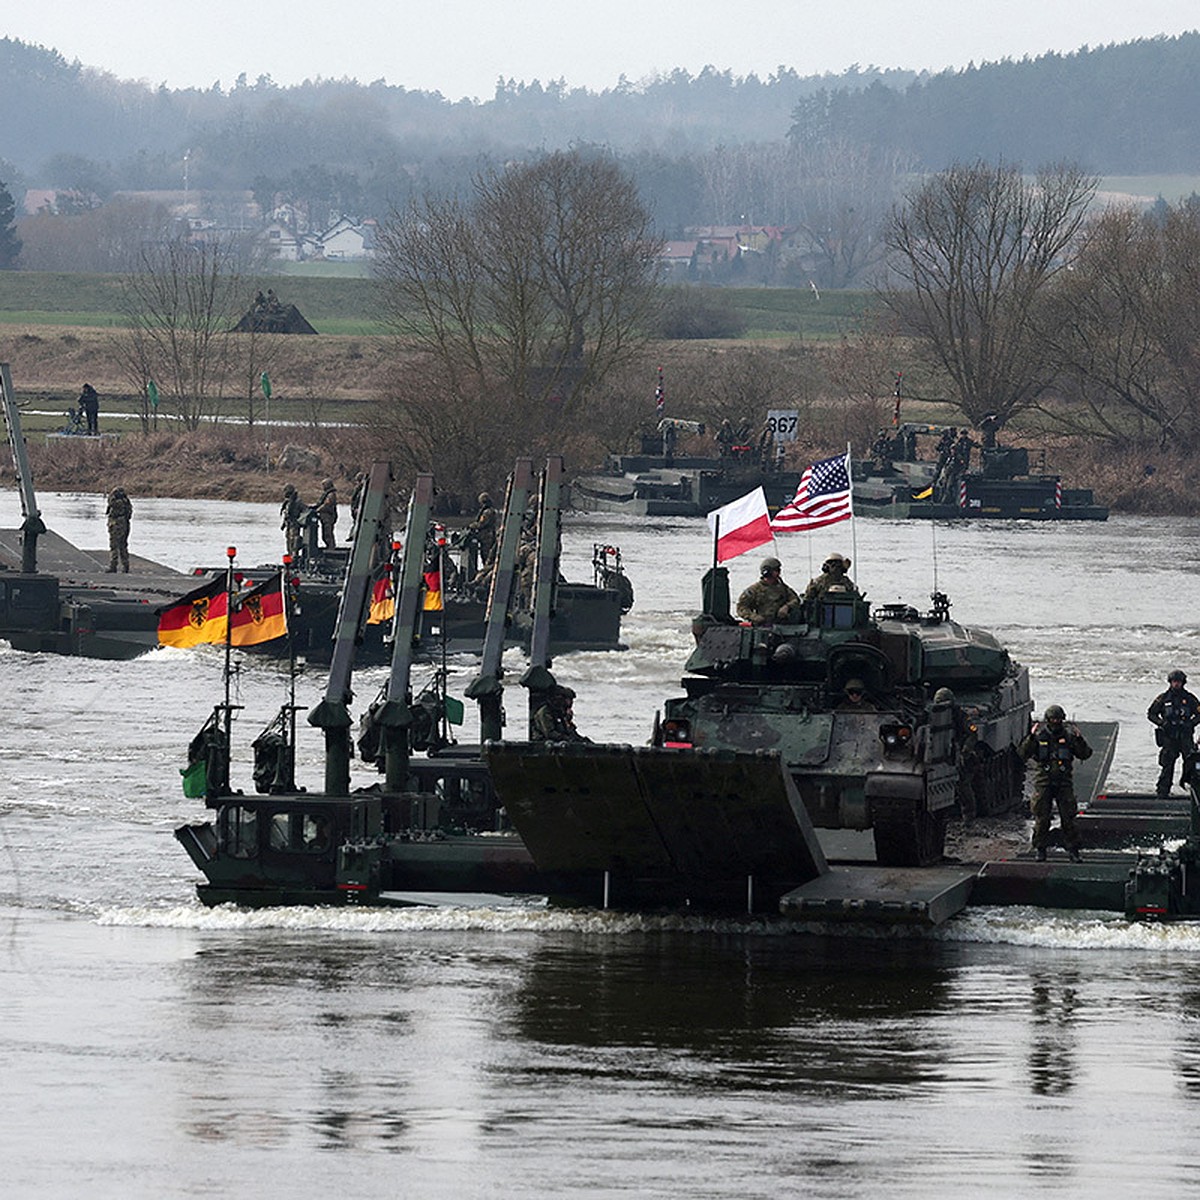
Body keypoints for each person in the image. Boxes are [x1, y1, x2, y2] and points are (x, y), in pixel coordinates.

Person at [1019, 704, 1092, 862]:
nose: (1056, 722)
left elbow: (1085, 754)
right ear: (1047, 720)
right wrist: (1031, 737)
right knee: (1042, 818)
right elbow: (1023, 754)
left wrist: (1079, 739)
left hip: (1063, 782)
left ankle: (1073, 850)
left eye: (1058, 719)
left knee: (1068, 819)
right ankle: (1040, 849)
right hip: (1044, 782)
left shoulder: (1069, 737)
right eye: (1053, 719)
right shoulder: (1039, 737)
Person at [1147, 669, 1200, 798]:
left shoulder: (1190, 699)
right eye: (1174, 682)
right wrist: (1161, 723)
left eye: (1179, 682)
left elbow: (1199, 714)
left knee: (1192, 764)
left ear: (1183, 683)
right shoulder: (1163, 698)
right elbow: (1151, 714)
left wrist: (1191, 723)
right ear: (1170, 682)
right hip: (1169, 737)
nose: (1176, 684)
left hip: (1185, 737)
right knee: (1167, 765)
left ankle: (1195, 792)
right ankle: (1163, 792)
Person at [934, 686, 979, 817]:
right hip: (942, 751)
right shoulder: (935, 713)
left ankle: (969, 815)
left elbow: (973, 734)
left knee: (963, 785)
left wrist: (965, 751)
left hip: (958, 752)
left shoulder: (959, 715)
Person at [736, 556, 800, 625]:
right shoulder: (754, 590)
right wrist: (753, 617)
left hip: (780, 624)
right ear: (767, 572)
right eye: (776, 570)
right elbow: (741, 607)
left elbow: (795, 600)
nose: (779, 573)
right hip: (762, 624)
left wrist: (787, 606)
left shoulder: (783, 588)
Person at [105, 486, 132, 572]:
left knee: (114, 545)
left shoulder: (115, 502)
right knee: (123, 545)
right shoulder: (126, 502)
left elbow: (110, 502)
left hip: (116, 524)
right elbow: (130, 514)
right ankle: (125, 565)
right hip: (125, 523)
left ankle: (113, 566)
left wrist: (112, 494)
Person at [467, 491, 498, 563]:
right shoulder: (490, 510)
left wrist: (472, 526)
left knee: (486, 556)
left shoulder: (487, 512)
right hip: (487, 536)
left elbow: (481, 524)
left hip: (487, 537)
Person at [280, 483, 304, 559]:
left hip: (295, 524)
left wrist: (299, 520)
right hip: (288, 524)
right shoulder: (287, 502)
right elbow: (286, 513)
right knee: (288, 541)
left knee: (294, 541)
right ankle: (290, 556)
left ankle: (294, 556)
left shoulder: (297, 501)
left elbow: (305, 510)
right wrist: (283, 524)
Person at [315, 478, 338, 549]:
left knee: (328, 534)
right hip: (324, 517)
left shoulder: (331, 495)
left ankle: (331, 548)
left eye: (324, 485)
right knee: (325, 535)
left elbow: (326, 505)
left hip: (329, 517)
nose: (323, 487)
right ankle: (329, 547)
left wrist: (318, 510)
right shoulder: (327, 494)